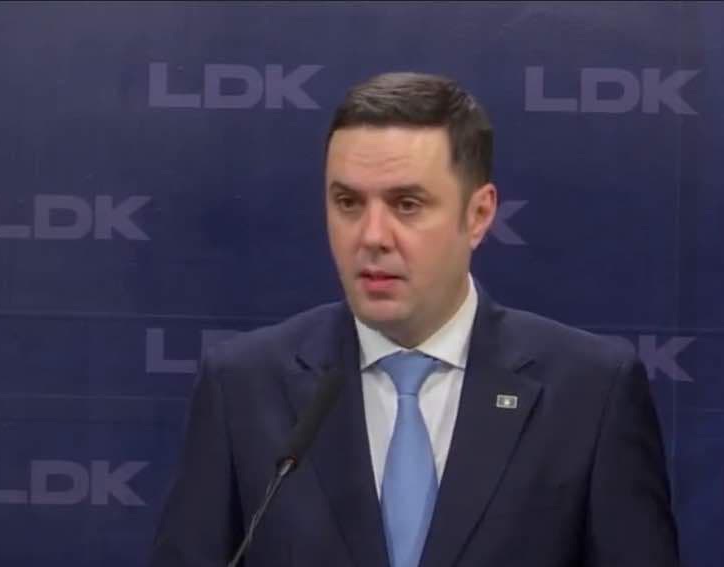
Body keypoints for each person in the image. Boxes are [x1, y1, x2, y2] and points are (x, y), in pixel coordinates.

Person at [149, 71, 680, 567]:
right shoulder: (243, 386)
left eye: (406, 204)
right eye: (348, 202)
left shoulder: (590, 394)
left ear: (478, 214)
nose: (372, 236)